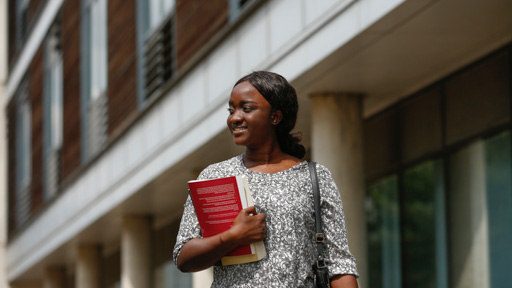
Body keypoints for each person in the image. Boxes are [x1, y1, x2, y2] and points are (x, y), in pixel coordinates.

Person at [173, 71, 359, 287]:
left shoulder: (315, 177)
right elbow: (183, 257)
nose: (234, 118)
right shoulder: (215, 176)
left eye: (246, 108)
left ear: (275, 117)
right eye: (231, 110)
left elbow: (339, 264)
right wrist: (233, 237)